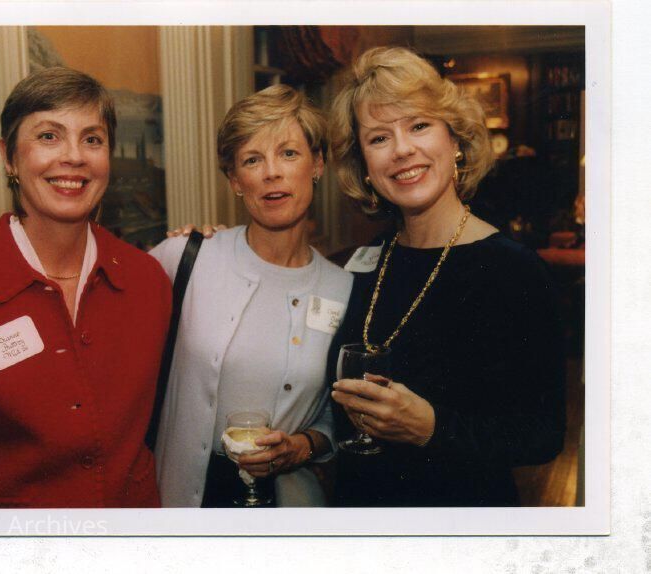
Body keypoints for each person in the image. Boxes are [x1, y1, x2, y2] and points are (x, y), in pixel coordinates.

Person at [0, 67, 172, 508]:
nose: (74, 156)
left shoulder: (147, 280)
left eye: (92, 139)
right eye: (48, 136)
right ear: (9, 157)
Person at [327, 46, 565, 506]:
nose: (402, 149)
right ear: (365, 167)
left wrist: (431, 427)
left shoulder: (514, 270)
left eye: (419, 125)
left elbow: (543, 434)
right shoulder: (367, 260)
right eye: (379, 138)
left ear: (454, 139)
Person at [151, 85, 353, 507]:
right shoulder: (186, 258)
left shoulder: (344, 288)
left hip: (291, 513)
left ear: (317, 164)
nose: (271, 173)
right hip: (184, 501)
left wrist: (304, 446)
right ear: (235, 181)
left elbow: (338, 415)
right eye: (252, 160)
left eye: (288, 153)